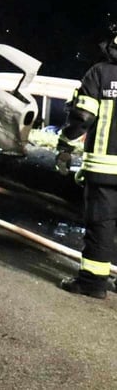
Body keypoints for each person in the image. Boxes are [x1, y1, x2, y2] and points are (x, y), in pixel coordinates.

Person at [55, 30, 117, 298]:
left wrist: (65, 147)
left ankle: (93, 283)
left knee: (101, 225)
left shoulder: (100, 73)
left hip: (105, 169)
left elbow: (82, 117)